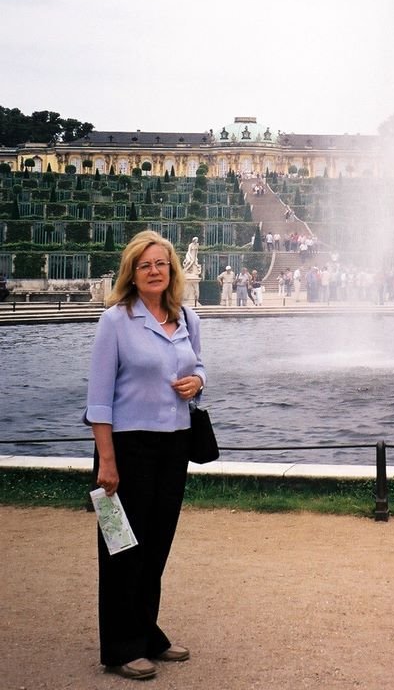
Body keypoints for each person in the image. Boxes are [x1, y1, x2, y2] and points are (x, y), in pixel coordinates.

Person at [85, 231, 206, 681]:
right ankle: (120, 647)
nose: (155, 271)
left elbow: (199, 367)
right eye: (145, 265)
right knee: (122, 548)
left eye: (162, 263)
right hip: (128, 447)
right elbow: (98, 399)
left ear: (173, 269)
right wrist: (107, 461)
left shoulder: (187, 318)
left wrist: (199, 383)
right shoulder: (116, 321)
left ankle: (147, 633)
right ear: (131, 274)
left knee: (156, 545)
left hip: (174, 443)